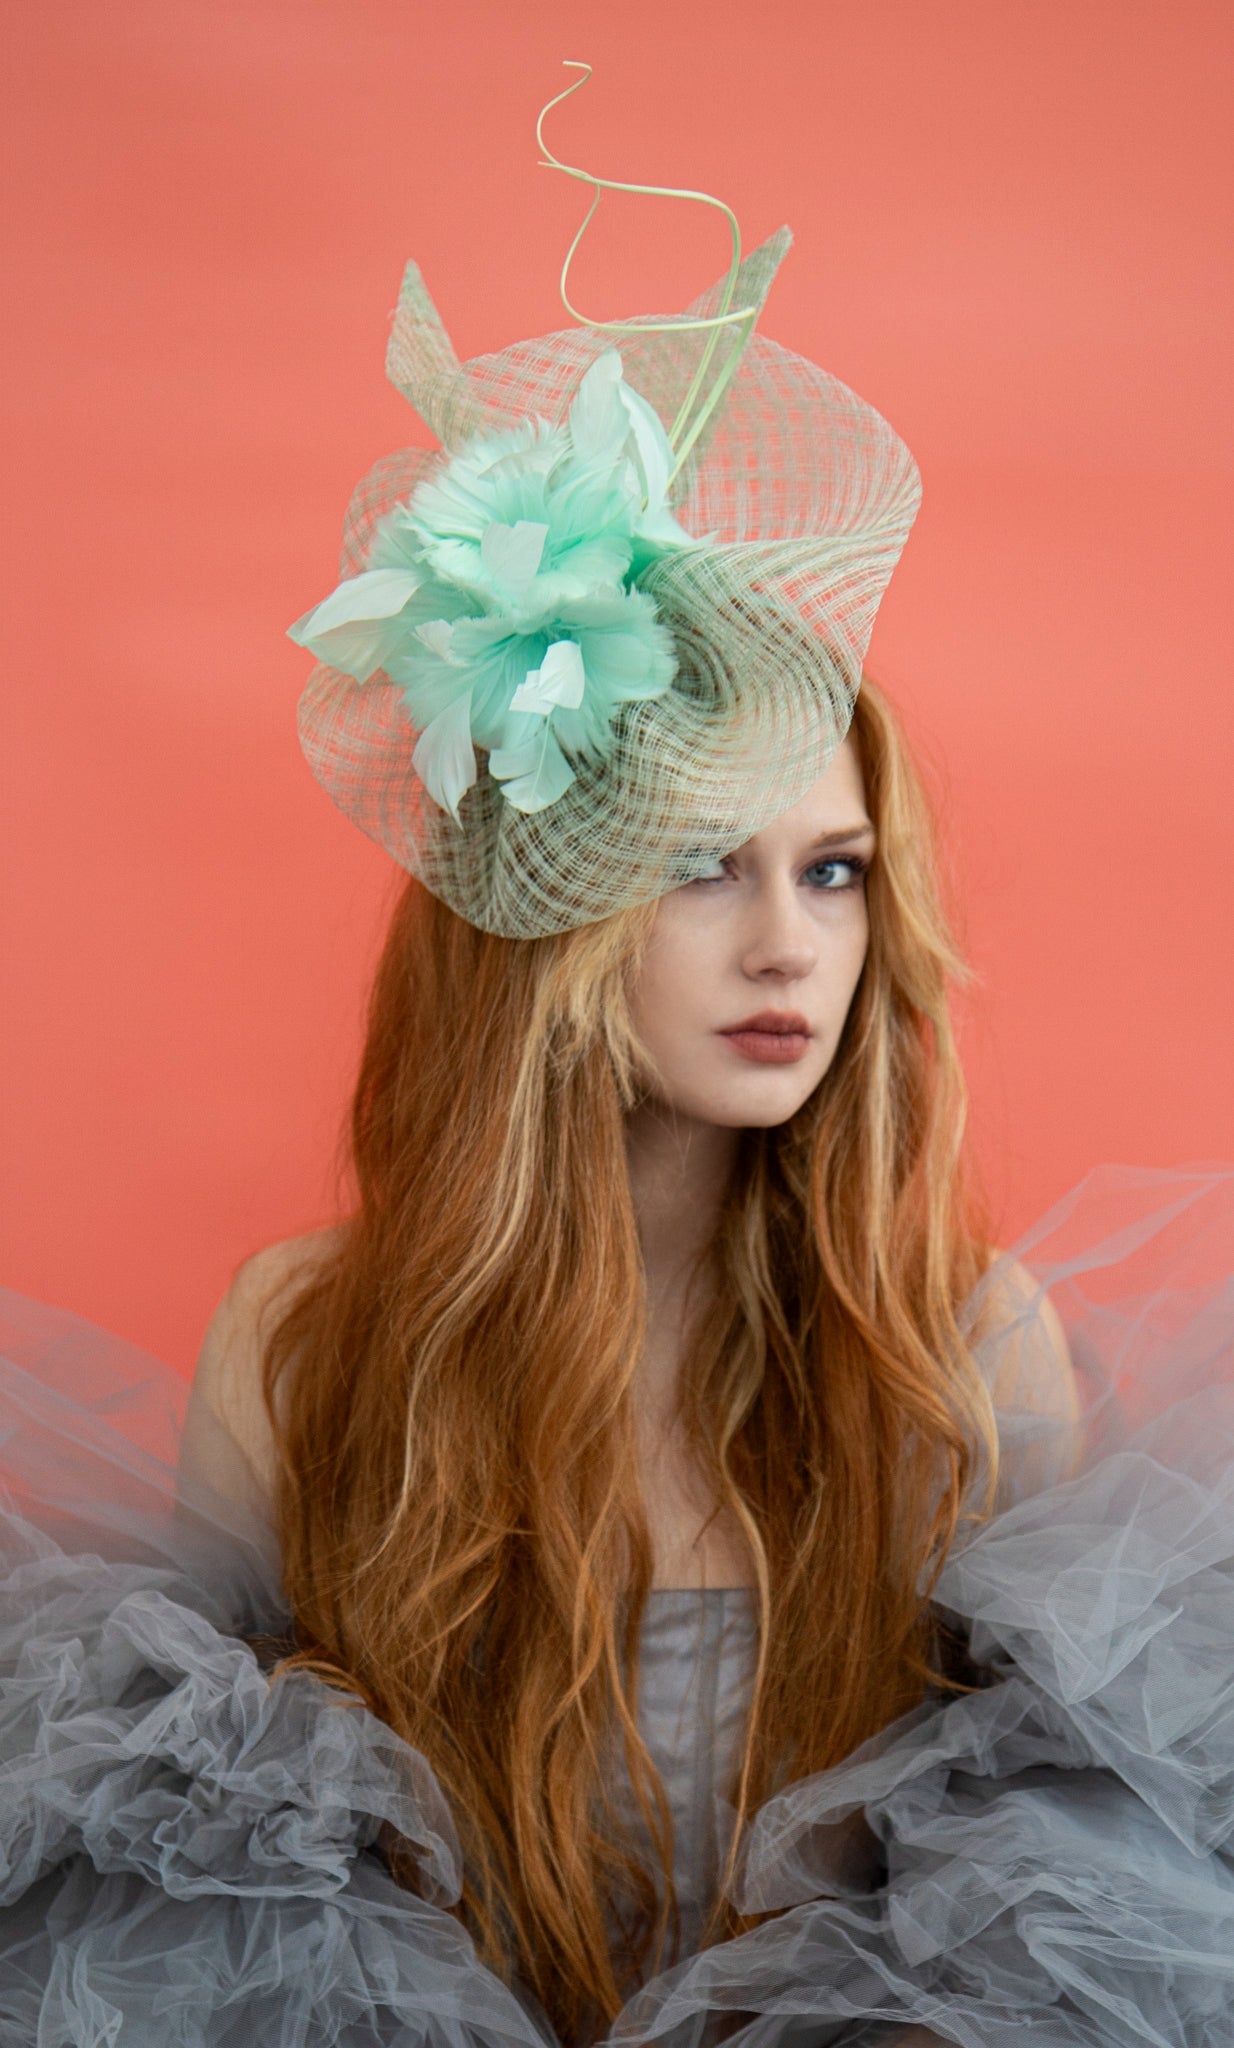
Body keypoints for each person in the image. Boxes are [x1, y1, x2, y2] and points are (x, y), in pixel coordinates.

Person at [2, 85, 1232, 2048]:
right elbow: (205, 1921)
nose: (788, 945)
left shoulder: (952, 1349)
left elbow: (1040, 1931)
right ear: (546, 920)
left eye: (832, 872)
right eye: (695, 868)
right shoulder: (307, 1346)